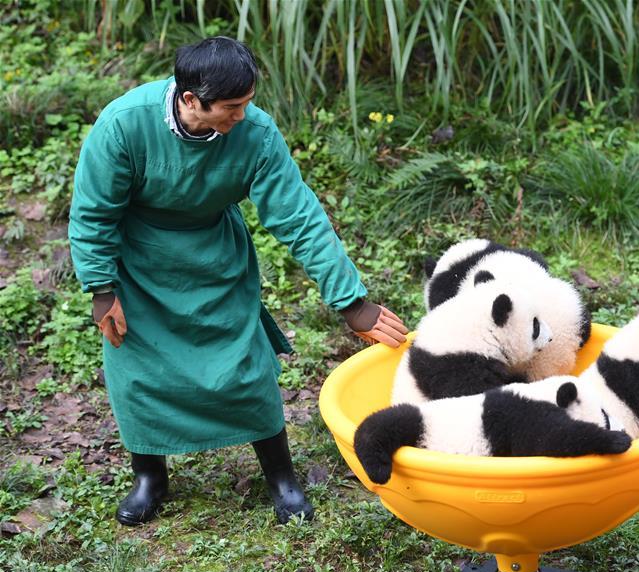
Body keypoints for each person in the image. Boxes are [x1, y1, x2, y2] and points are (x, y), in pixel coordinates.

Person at [68, 36, 408, 526]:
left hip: (216, 261)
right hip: (139, 266)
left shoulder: (256, 134)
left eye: (247, 104)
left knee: (246, 370)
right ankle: (150, 478)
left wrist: (352, 304)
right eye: (232, 107)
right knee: (139, 375)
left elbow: (299, 217)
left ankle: (282, 479)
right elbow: (93, 214)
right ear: (191, 101)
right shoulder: (124, 124)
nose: (242, 117)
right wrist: (102, 290)